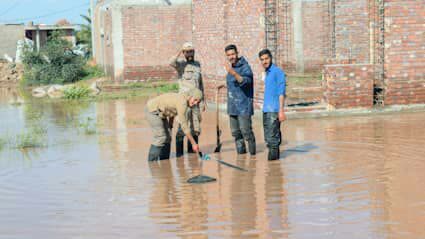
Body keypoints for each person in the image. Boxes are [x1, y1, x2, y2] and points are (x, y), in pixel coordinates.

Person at [145, 88, 203, 161]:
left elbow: (172, 110)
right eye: (195, 100)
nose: (195, 103)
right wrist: (194, 143)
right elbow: (184, 125)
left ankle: (164, 161)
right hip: (152, 111)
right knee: (160, 137)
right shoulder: (183, 102)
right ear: (190, 96)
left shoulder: (185, 99)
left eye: (198, 102)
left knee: (168, 137)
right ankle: (152, 163)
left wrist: (170, 125)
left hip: (161, 113)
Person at [218, 44, 256, 156]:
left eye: (233, 54)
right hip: (232, 105)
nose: (231, 57)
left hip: (244, 105)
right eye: (228, 55)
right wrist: (224, 85)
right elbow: (233, 83)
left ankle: (253, 156)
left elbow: (246, 82)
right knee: (235, 133)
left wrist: (233, 73)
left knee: (246, 132)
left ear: (237, 53)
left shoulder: (245, 67)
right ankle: (241, 156)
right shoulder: (231, 67)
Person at [170, 42, 206, 157]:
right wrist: (180, 50)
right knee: (182, 128)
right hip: (184, 103)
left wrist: (203, 101)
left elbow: (200, 84)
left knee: (195, 128)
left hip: (196, 102)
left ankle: (192, 154)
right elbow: (170, 62)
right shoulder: (181, 65)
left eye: (191, 51)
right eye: (187, 51)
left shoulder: (197, 64)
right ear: (184, 53)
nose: (189, 53)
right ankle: (179, 156)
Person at [258, 49, 287, 160]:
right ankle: (275, 167)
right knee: (268, 140)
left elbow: (281, 92)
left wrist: (281, 110)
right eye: (262, 60)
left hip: (274, 111)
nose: (264, 61)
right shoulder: (267, 73)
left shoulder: (277, 72)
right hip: (266, 110)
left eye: (266, 58)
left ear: (271, 58)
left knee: (273, 140)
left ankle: (273, 169)